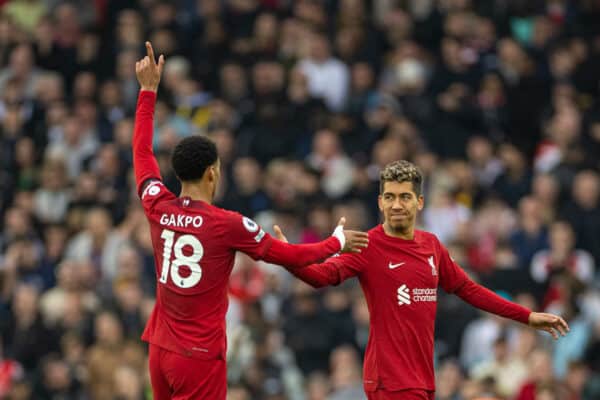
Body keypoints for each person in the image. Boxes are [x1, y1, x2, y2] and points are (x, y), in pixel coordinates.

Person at [133, 42, 369, 400]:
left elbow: (142, 152)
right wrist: (336, 242)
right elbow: (291, 257)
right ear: (213, 173)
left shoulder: (157, 204)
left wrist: (148, 92)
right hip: (198, 357)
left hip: (159, 349)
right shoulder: (228, 224)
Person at [275, 159, 570, 400]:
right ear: (380, 202)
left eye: (405, 197)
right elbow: (320, 276)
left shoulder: (431, 245)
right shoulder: (368, 245)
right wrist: (288, 256)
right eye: (389, 197)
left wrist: (527, 317)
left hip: (423, 377)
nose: (397, 205)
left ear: (419, 202)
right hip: (389, 379)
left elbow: (469, 289)